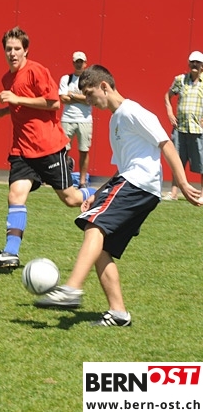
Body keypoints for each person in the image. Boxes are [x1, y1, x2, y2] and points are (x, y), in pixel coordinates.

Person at [35, 64, 201, 326]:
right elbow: (122, 168)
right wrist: (97, 195)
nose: (88, 101)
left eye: (90, 94)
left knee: (94, 226)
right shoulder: (115, 120)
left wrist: (181, 182)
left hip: (138, 184)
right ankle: (119, 313)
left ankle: (72, 288)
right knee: (102, 249)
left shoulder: (133, 111)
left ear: (104, 86)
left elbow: (166, 144)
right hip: (135, 185)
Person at [0, 26, 95, 272]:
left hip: (48, 148)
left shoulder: (36, 71)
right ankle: (10, 253)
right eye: (8, 49)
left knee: (71, 199)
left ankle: (103, 194)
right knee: (15, 195)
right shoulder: (7, 78)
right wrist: (1, 112)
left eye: (17, 49)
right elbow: (18, 107)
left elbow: (53, 103)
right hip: (21, 150)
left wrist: (16, 99)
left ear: (26, 50)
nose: (12, 53)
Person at [163, 51, 203, 200]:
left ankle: (202, 194)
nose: (194, 64)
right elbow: (167, 95)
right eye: (192, 62)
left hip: (198, 130)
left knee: (201, 162)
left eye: (197, 62)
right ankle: (173, 193)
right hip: (180, 128)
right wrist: (169, 112)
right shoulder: (180, 80)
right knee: (177, 160)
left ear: (202, 65)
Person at [59, 51, 93, 188]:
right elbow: (63, 98)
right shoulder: (66, 79)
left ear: (85, 63)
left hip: (85, 120)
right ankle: (63, 178)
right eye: (76, 62)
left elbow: (90, 100)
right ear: (73, 63)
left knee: (84, 151)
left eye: (81, 62)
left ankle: (82, 182)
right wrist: (82, 98)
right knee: (63, 151)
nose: (79, 64)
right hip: (67, 119)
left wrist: (72, 95)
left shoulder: (90, 81)